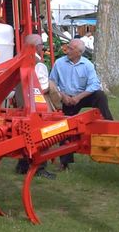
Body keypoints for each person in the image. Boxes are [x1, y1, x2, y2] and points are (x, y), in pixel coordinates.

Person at [49, 38, 113, 170]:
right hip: (65, 97)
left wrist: (79, 97)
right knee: (65, 126)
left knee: (100, 95)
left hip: (81, 96)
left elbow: (94, 84)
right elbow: (52, 82)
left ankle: (109, 125)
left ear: (79, 52)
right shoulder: (59, 63)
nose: (67, 50)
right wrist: (63, 96)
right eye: (68, 47)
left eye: (71, 49)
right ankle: (65, 162)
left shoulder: (87, 65)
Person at [15, 34, 57, 178]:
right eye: (41, 45)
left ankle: (22, 165)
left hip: (22, 104)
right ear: (38, 47)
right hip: (38, 106)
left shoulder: (18, 61)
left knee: (24, 135)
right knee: (44, 135)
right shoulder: (39, 65)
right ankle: (39, 168)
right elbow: (43, 87)